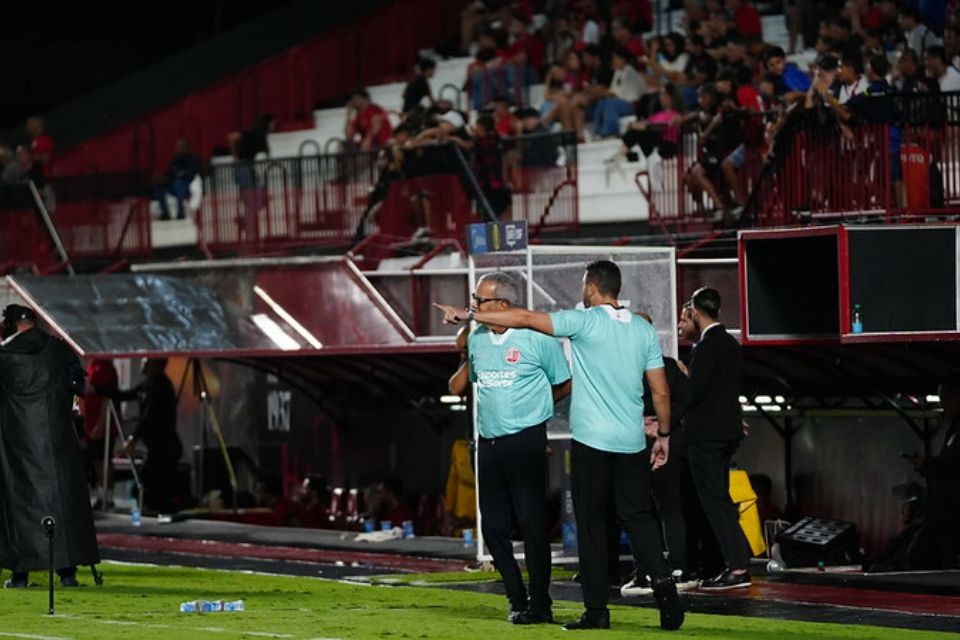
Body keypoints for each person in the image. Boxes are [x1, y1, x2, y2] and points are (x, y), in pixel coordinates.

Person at [434, 260, 684, 632]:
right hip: (631, 441)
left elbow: (528, 319)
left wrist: (466, 313)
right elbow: (661, 390)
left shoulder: (581, 321)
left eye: (584, 285)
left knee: (592, 525)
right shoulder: (642, 330)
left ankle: (597, 612)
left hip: (590, 441)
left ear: (592, 288)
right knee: (639, 518)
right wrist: (663, 435)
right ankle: (667, 596)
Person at [448, 272, 571, 624]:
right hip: (487, 444)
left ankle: (540, 603)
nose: (473, 306)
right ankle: (517, 598)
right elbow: (466, 384)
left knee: (532, 525)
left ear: (503, 305)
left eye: (479, 300)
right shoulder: (477, 339)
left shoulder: (538, 339)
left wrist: (535, 411)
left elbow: (563, 383)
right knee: (494, 530)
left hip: (525, 441)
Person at [0, 304, 99, 587]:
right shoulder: (59, 349)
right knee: (64, 503)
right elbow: (80, 387)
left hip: (16, 445)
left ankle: (20, 574)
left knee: (18, 508)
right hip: (58, 444)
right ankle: (67, 573)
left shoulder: (5, 356)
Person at [684, 287, 752, 589]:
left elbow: (693, 393)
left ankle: (738, 567)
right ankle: (734, 562)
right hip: (728, 433)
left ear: (696, 312)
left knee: (715, 501)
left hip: (706, 435)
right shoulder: (731, 344)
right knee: (720, 498)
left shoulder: (705, 348)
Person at [117, 359, 184, 513]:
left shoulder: (161, 386)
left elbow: (148, 416)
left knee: (151, 483)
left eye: (147, 361)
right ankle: (157, 510)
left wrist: (133, 438)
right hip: (156, 448)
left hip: (165, 447)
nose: (143, 363)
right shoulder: (147, 385)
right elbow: (128, 394)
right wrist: (99, 390)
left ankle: (162, 513)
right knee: (148, 484)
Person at [153, 139, 201, 220]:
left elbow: (191, 174)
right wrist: (162, 179)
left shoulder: (192, 158)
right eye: (177, 146)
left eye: (180, 146)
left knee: (178, 184)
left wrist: (180, 175)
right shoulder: (175, 159)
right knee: (159, 186)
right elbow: (169, 172)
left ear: (186, 147)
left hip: (187, 186)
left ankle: (181, 212)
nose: (178, 148)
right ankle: (165, 213)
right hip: (173, 184)